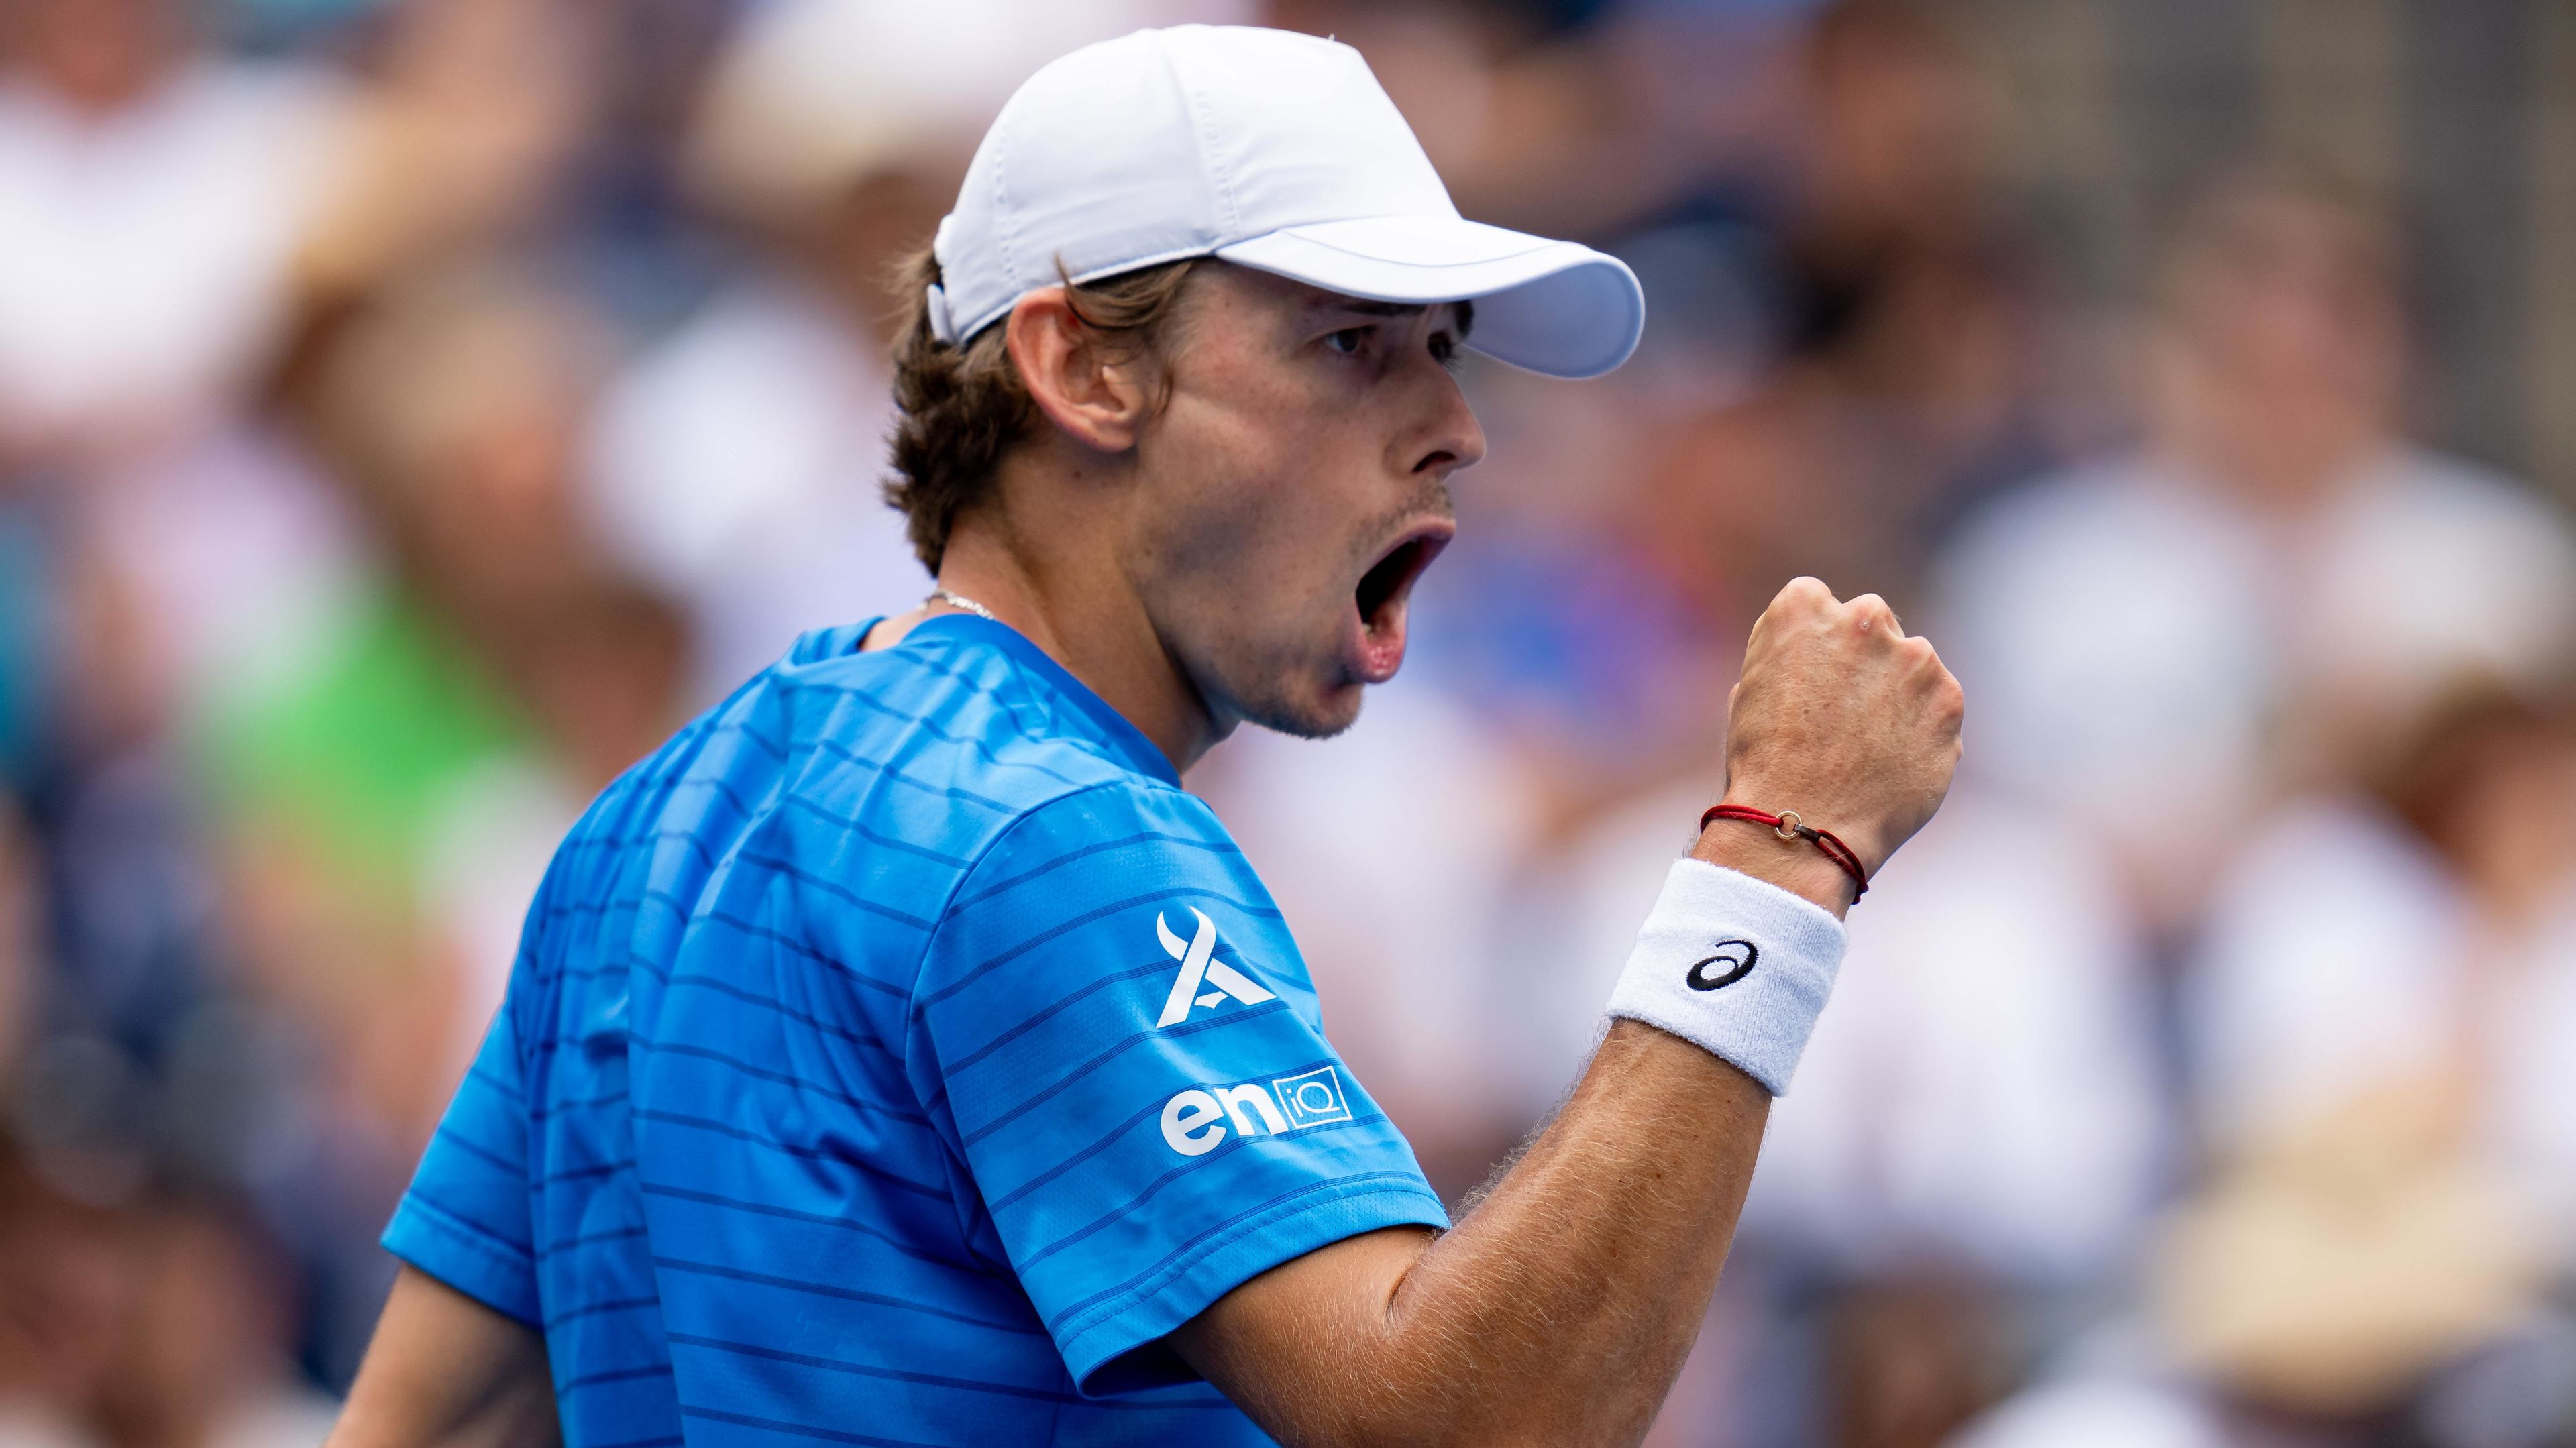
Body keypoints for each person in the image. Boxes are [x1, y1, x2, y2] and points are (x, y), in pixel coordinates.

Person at [325, 25, 1961, 1447]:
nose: (1455, 429)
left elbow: (424, 1427)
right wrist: (1778, 857)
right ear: (1082, 370)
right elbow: (1473, 1421)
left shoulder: (646, 822)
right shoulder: (1053, 836)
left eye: (1443, 355)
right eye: (1350, 345)